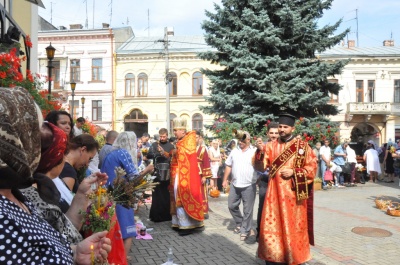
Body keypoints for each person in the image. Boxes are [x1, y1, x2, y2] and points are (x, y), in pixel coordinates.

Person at [0, 86, 111, 264]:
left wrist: (74, 253)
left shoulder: (15, 193)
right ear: (12, 138)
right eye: (33, 133)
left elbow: (42, 247)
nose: (37, 143)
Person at [254, 113, 317, 265]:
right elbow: (260, 167)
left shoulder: (302, 147)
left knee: (292, 228)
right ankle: (273, 257)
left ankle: (293, 257)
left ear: (292, 128)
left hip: (294, 199)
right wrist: (260, 151)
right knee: (273, 226)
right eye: (280, 127)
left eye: (285, 127)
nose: (282, 130)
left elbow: (312, 168)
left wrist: (294, 172)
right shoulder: (270, 146)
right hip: (273, 197)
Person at [101, 131, 154, 258]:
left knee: (114, 228)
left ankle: (116, 256)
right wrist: (147, 170)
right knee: (128, 229)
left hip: (109, 195)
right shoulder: (123, 153)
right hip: (121, 196)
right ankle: (122, 258)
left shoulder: (112, 153)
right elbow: (134, 178)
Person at [170, 118, 205, 235]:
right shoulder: (181, 141)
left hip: (187, 176)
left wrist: (176, 151)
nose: (174, 132)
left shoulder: (189, 139)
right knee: (176, 195)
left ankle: (187, 226)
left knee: (182, 197)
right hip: (179, 174)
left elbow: (186, 154)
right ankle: (178, 222)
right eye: (174, 130)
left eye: (176, 130)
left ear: (183, 131)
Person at [222, 130, 257, 241]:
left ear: (248, 140)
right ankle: (240, 223)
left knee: (248, 210)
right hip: (235, 184)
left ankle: (245, 230)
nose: (240, 142)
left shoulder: (255, 151)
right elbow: (228, 165)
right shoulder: (234, 151)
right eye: (239, 140)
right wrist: (225, 180)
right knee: (231, 205)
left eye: (242, 140)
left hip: (249, 185)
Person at [57, 134, 99, 207]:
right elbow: (65, 203)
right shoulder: (69, 171)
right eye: (89, 159)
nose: (87, 164)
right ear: (83, 150)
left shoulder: (63, 164)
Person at [254, 122, 279, 241]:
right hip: (266, 180)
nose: (274, 135)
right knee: (263, 206)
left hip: (280, 181)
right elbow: (257, 165)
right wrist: (259, 151)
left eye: (276, 133)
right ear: (267, 133)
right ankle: (260, 232)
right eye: (271, 133)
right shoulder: (263, 146)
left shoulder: (283, 146)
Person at [147, 128, 175, 222]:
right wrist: (156, 152)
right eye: (161, 136)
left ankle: (166, 216)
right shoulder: (155, 145)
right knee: (157, 194)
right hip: (157, 172)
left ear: (167, 136)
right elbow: (149, 155)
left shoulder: (171, 146)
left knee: (166, 194)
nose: (162, 138)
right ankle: (156, 216)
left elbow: (172, 158)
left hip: (167, 173)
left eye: (164, 136)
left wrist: (164, 153)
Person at [195, 130, 212, 218]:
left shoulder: (203, 149)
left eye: (197, 137)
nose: (195, 139)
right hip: (192, 174)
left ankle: (203, 211)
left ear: (199, 138)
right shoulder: (189, 149)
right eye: (194, 138)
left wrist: (205, 176)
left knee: (202, 192)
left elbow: (206, 162)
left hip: (200, 174)